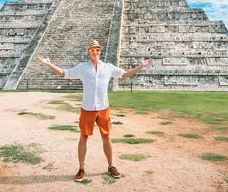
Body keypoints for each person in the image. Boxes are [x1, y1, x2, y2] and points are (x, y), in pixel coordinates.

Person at [37, 40, 153, 182]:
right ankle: (81, 168)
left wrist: (141, 66)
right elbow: (64, 73)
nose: (95, 51)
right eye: (92, 49)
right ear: (89, 52)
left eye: (97, 49)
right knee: (83, 137)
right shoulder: (82, 68)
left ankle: (111, 166)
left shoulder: (108, 67)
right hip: (88, 108)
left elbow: (126, 75)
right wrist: (49, 64)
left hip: (103, 108)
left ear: (100, 51)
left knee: (106, 137)